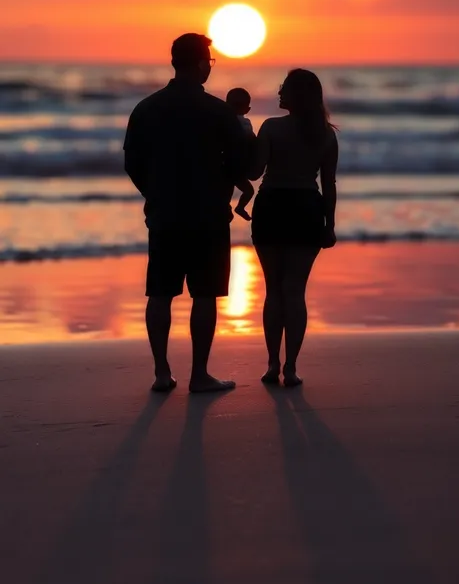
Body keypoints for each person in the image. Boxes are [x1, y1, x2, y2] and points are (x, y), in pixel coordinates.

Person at [123, 33, 246, 394]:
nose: (210, 66)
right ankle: (199, 375)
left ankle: (162, 373)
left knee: (160, 293)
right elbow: (241, 164)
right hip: (208, 215)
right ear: (197, 64)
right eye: (208, 60)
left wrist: (155, 193)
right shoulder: (219, 112)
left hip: (165, 214)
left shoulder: (147, 108)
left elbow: (132, 162)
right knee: (205, 295)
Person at [250, 69, 338, 388]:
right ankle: (291, 367)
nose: (278, 92)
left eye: (284, 88)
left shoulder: (271, 128)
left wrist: (238, 141)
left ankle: (273, 364)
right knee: (294, 290)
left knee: (273, 289)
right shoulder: (326, 134)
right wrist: (330, 225)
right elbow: (328, 185)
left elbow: (255, 170)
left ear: (296, 94)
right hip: (306, 209)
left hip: (272, 206)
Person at [226, 87, 255, 221]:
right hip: (238, 167)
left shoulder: (223, 120)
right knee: (249, 191)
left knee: (226, 192)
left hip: (228, 166)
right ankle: (239, 207)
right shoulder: (245, 123)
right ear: (247, 109)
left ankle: (231, 208)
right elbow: (252, 140)